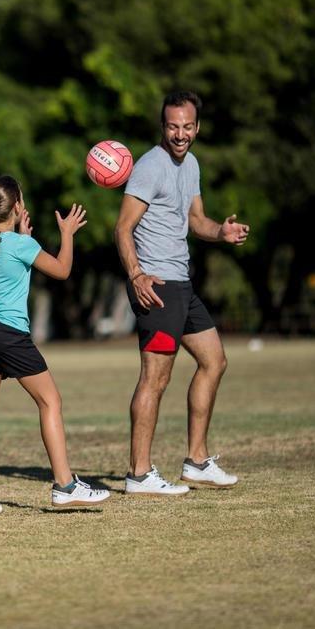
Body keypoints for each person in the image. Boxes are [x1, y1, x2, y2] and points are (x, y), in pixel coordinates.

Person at [114, 91, 250, 495]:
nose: (180, 134)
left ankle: (196, 461)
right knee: (154, 379)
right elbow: (122, 228)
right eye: (173, 126)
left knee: (215, 361)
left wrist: (221, 233)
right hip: (156, 286)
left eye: (187, 126)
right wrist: (137, 275)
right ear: (163, 127)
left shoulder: (190, 164)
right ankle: (139, 475)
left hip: (182, 284)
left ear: (197, 128)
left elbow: (196, 220)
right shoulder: (149, 167)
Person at [0, 175, 110, 515]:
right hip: (9, 333)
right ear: (18, 206)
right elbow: (63, 270)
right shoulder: (22, 246)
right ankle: (65, 486)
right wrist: (66, 234)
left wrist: (24, 237)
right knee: (50, 401)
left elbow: (7, 268)